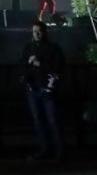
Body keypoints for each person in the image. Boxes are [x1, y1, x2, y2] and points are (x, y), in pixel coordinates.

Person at [22, 21, 66, 161]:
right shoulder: (28, 48)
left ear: (45, 32)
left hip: (48, 89)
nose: (37, 34)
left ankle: (59, 152)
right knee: (39, 121)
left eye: (39, 31)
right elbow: (22, 66)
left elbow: (58, 67)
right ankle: (45, 149)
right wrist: (26, 78)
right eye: (34, 31)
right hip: (33, 90)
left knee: (53, 121)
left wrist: (39, 64)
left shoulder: (53, 48)